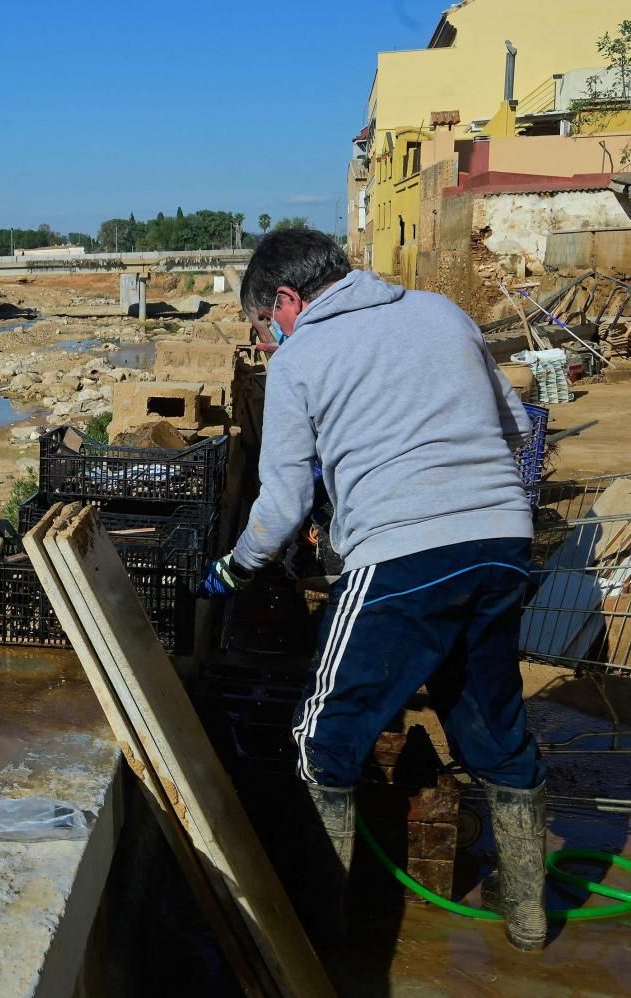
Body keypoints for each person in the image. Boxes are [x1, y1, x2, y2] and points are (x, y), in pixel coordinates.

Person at [198, 229, 547, 952]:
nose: (268, 338)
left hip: (400, 557)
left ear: (287, 300)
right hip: (502, 545)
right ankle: (530, 921)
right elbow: (516, 431)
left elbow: (283, 506)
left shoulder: (301, 360)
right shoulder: (442, 313)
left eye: (267, 323)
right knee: (493, 728)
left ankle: (315, 943)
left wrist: (234, 567)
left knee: (319, 741)